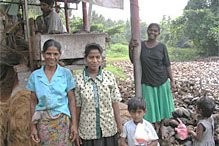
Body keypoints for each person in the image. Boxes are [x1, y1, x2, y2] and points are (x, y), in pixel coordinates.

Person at [26, 39, 78, 146]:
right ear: (43, 54)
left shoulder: (66, 74)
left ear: (60, 55)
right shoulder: (35, 76)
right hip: (43, 122)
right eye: (48, 54)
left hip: (62, 121)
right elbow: (32, 102)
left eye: (55, 54)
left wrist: (74, 125)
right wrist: (33, 126)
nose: (52, 57)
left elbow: (72, 100)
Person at [129, 23, 175, 139]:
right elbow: (133, 60)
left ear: (158, 33)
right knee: (150, 106)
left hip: (162, 80)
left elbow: (167, 64)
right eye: (151, 30)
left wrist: (172, 80)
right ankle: (154, 127)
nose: (152, 33)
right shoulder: (141, 46)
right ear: (147, 31)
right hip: (147, 81)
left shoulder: (162, 47)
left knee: (162, 105)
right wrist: (130, 47)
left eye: (155, 31)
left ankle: (162, 125)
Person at [75, 43, 123, 146]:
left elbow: (115, 103)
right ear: (85, 59)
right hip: (87, 130)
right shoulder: (78, 79)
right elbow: (77, 107)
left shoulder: (109, 76)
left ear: (102, 58)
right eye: (91, 57)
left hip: (108, 128)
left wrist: (120, 126)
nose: (94, 61)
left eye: (98, 57)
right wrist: (76, 129)